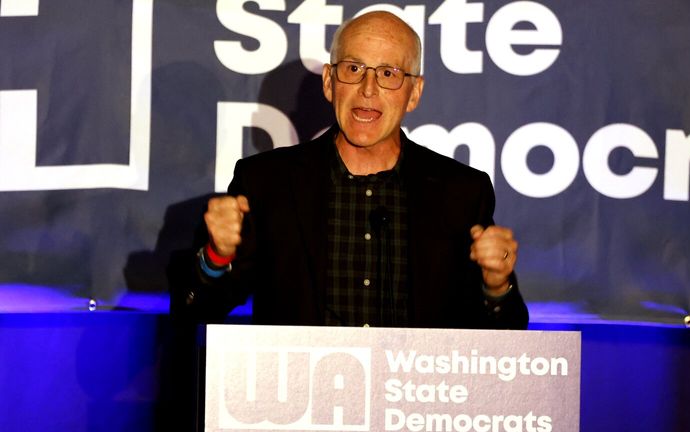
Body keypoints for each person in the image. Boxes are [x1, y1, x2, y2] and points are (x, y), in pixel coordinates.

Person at [170, 11, 528, 330]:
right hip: (297, 401)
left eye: (388, 73)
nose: (368, 89)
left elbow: (503, 344)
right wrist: (217, 256)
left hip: (417, 401)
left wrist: (496, 285)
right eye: (354, 69)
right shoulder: (267, 183)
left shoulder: (461, 193)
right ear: (329, 82)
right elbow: (196, 310)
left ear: (414, 93)